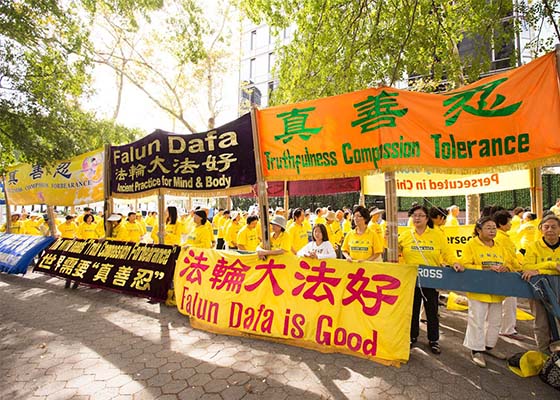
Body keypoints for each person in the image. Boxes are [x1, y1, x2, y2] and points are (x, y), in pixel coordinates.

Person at [398, 204, 462, 355]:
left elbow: (447, 253)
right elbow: (393, 250)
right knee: (412, 310)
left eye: (420, 215)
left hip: (431, 279)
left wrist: (455, 262)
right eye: (414, 215)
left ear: (427, 218)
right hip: (411, 279)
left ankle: (433, 340)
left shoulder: (437, 235)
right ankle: (412, 337)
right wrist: (387, 238)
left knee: (432, 311)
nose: (417, 218)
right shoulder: (406, 235)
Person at [460, 216, 517, 368]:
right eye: (488, 228)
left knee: (495, 321)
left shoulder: (499, 246)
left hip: (496, 290)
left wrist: (507, 267)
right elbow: (465, 264)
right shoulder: (471, 245)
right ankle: (476, 350)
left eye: (494, 228)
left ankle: (489, 346)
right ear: (478, 230)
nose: (492, 231)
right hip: (478, 289)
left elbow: (512, 262)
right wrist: (483, 268)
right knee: (477, 320)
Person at [521, 214, 560, 353]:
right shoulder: (533, 246)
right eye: (546, 227)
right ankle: (544, 355)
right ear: (541, 229)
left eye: (554, 227)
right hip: (538, 289)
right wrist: (551, 265)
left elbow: (534, 268)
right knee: (541, 323)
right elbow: (526, 267)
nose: (550, 230)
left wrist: (539, 269)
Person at [493, 210, 524, 341]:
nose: (511, 224)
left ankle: (505, 327)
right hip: (507, 273)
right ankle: (507, 329)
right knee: (509, 301)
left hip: (506, 271)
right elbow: (508, 258)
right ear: (501, 223)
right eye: (509, 222)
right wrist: (517, 267)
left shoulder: (502, 237)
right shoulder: (502, 239)